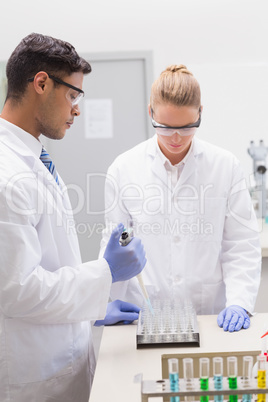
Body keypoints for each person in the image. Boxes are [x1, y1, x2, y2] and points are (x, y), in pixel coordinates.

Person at [0, 33, 146, 402]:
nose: (77, 109)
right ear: (42, 83)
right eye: (73, 95)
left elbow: (50, 263)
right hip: (32, 380)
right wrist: (105, 273)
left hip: (61, 363)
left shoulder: (34, 159)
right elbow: (16, 290)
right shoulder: (5, 174)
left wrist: (91, 310)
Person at [99, 64, 262, 333]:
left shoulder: (225, 166)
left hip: (210, 316)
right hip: (144, 317)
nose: (176, 138)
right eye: (165, 127)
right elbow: (114, 245)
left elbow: (241, 244)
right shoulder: (124, 168)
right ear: (150, 112)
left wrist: (240, 303)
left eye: (187, 127)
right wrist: (108, 299)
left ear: (200, 113)